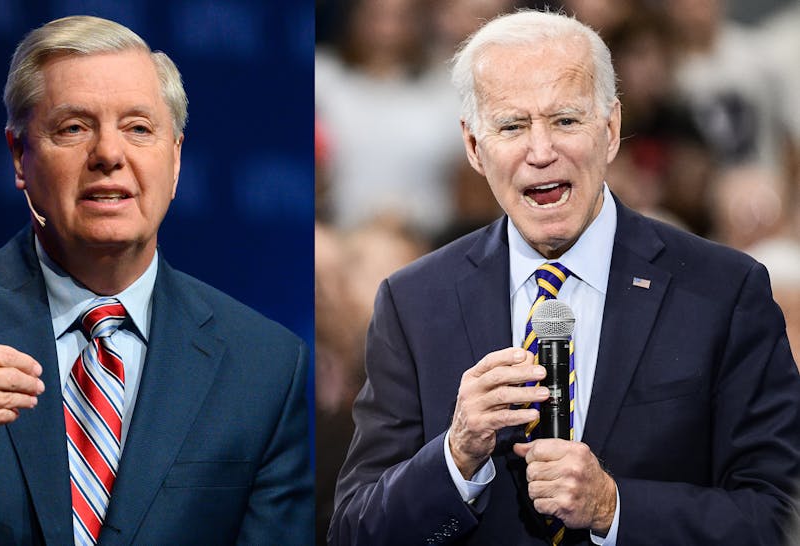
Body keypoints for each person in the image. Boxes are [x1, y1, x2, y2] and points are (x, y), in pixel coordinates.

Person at [0, 15, 312, 545]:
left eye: (138, 128)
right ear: (19, 157)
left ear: (174, 161)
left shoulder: (264, 366)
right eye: (74, 128)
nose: (109, 154)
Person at [329, 9, 800, 546]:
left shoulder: (724, 292)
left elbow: (775, 517)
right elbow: (354, 532)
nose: (541, 151)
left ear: (611, 128)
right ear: (474, 146)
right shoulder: (413, 303)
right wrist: (455, 455)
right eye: (512, 125)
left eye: (566, 120)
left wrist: (613, 507)